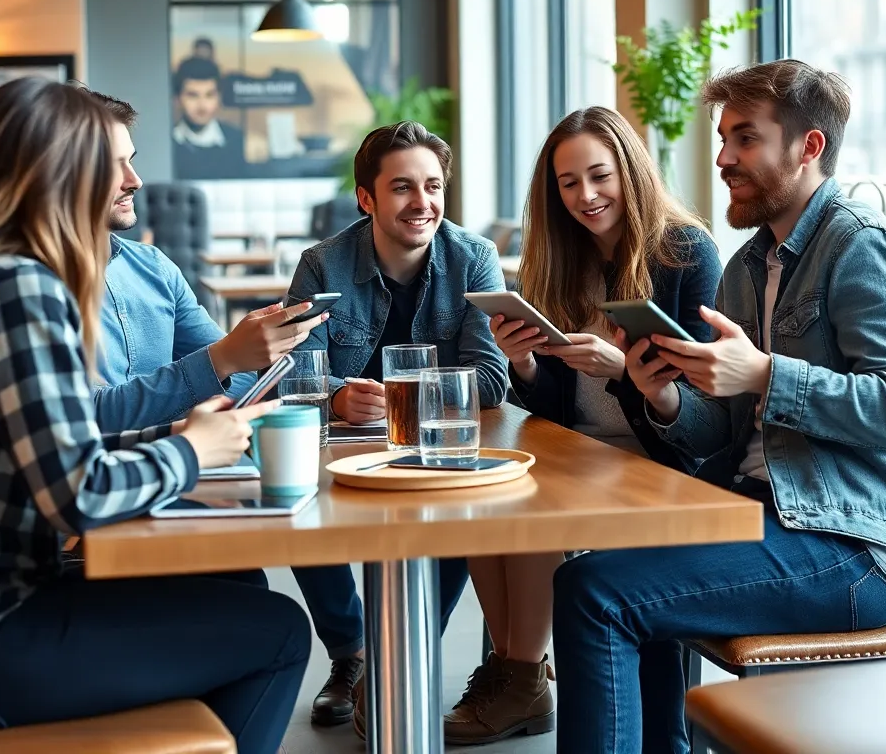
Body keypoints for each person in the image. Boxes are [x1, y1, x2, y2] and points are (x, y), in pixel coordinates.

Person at [552, 61, 886, 754]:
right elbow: (721, 435)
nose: (724, 157)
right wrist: (664, 394)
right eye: (723, 138)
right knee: (610, 564)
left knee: (595, 592)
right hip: (763, 510)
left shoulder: (862, 248)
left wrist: (766, 373)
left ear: (809, 147)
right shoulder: (745, 267)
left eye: (745, 139)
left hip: (854, 548)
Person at [0, 79, 310, 754]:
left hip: (6, 599)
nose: (135, 178)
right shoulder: (17, 286)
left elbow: (58, 439)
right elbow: (79, 494)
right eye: (115, 162)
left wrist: (179, 435)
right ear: (59, 169)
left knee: (232, 586)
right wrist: (192, 451)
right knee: (279, 634)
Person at [448, 106, 722, 745]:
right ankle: (516, 672)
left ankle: (531, 680)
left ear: (630, 172)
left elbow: (703, 412)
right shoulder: (562, 263)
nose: (585, 196)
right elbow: (554, 411)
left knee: (607, 579)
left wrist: (621, 371)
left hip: (664, 462)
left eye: (599, 176)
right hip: (585, 453)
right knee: (482, 496)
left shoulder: (684, 253)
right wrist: (522, 363)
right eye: (568, 183)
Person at [290, 120, 509, 734]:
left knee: (463, 507)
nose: (423, 203)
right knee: (300, 506)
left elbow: (493, 378)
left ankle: (399, 648)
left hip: (436, 445)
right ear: (368, 198)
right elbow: (293, 375)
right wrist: (335, 397)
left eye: (433, 186)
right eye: (403, 188)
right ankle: (352, 653)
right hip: (342, 448)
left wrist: (407, 401)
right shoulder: (322, 265)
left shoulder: (474, 259)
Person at [90, 90, 325, 434]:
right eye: (114, 166)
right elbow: (83, 418)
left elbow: (241, 379)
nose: (135, 180)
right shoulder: (32, 284)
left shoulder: (155, 267)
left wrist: (239, 355)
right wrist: (221, 359)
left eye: (131, 160)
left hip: (183, 466)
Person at [172, 58, 246, 179]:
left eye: (209, 95)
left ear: (219, 97)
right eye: (192, 95)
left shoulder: (238, 140)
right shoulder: (167, 144)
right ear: (178, 99)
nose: (202, 105)